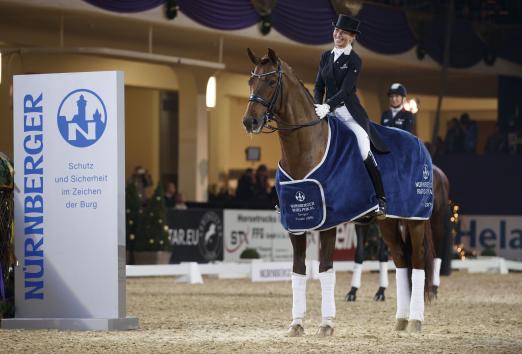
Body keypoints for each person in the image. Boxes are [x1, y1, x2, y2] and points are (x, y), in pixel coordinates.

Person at [314, 14, 387, 219]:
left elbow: (346, 90)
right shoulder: (325, 56)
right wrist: (317, 105)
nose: (338, 34)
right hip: (327, 112)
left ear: (352, 37)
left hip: (349, 113)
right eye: (337, 30)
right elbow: (319, 86)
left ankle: (381, 198)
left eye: (343, 32)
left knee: (363, 149)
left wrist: (327, 106)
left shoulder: (354, 59)